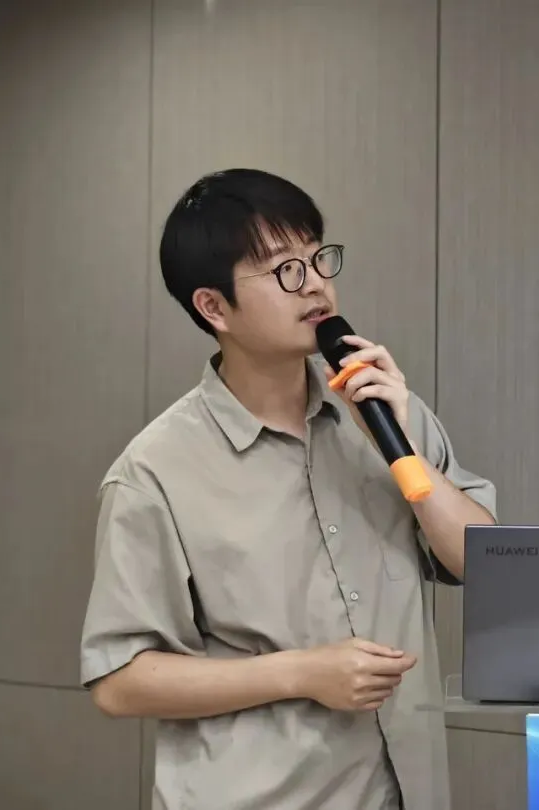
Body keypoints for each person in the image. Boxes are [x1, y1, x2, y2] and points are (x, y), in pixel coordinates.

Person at [78, 168, 497, 810]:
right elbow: (119, 680)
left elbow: (485, 566)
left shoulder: (384, 414)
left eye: (318, 258)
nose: (317, 284)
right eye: (284, 269)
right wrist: (300, 672)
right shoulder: (154, 472)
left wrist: (402, 449)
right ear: (213, 307)